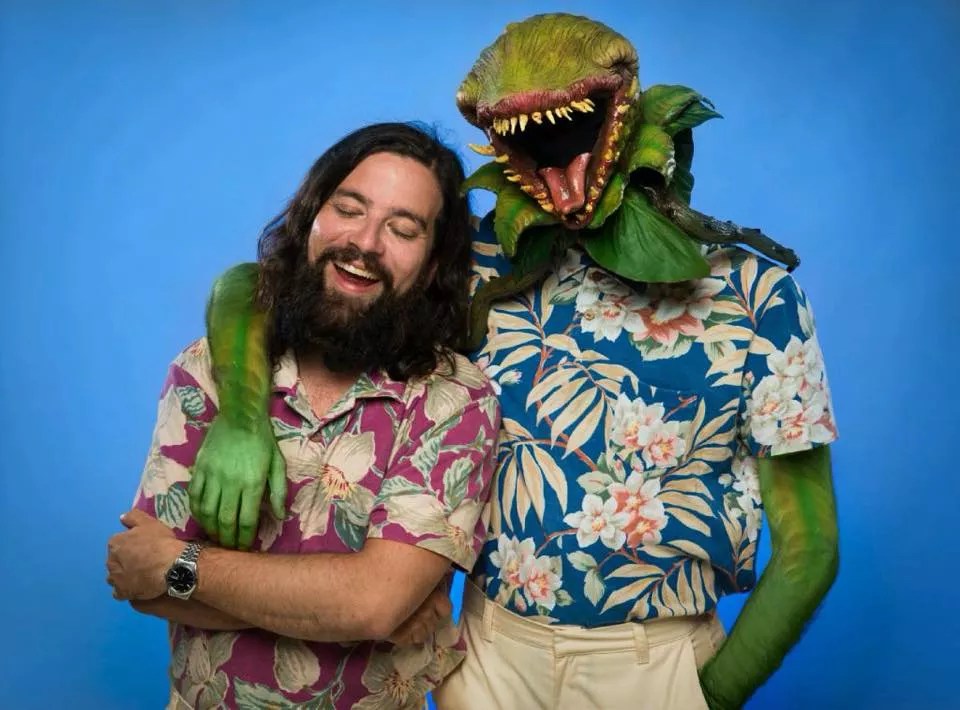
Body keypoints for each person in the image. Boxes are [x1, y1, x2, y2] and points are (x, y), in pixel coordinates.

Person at [187, 14, 840, 710]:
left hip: (657, 663)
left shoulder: (755, 294)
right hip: (487, 657)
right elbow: (254, 285)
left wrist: (708, 697)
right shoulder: (474, 263)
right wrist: (242, 418)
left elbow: (809, 550)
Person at [105, 122, 501, 709]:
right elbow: (142, 581)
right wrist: (350, 608)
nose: (365, 242)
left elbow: (373, 603)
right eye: (349, 209)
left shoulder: (454, 398)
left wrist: (181, 565)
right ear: (311, 214)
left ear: (431, 263)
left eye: (403, 229)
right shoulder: (208, 366)